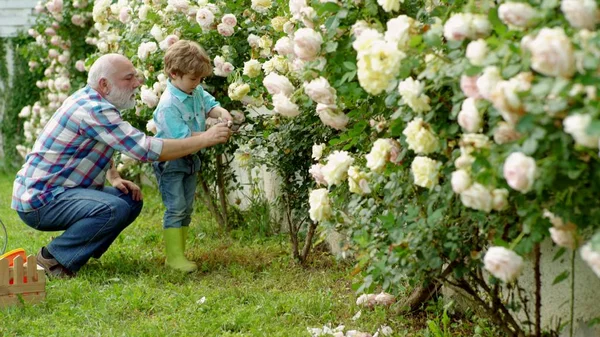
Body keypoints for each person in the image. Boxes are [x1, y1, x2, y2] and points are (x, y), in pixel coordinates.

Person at [11, 53, 232, 279]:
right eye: (129, 78)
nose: (137, 83)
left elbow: (99, 144)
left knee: (129, 200)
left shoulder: (92, 100)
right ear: (104, 84)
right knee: (113, 208)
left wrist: (114, 177)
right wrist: (206, 138)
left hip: (56, 192)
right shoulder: (94, 110)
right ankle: (52, 258)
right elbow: (144, 149)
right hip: (41, 201)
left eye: (135, 77)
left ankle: (75, 253)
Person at [152, 40, 232, 272]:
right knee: (176, 207)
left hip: (189, 159)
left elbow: (208, 103)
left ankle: (179, 253)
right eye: (193, 79)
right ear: (174, 74)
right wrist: (211, 134)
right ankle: (173, 257)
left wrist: (221, 112)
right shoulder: (168, 105)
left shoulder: (194, 91)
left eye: (200, 79)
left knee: (186, 207)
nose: (198, 84)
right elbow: (183, 138)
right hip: (172, 161)